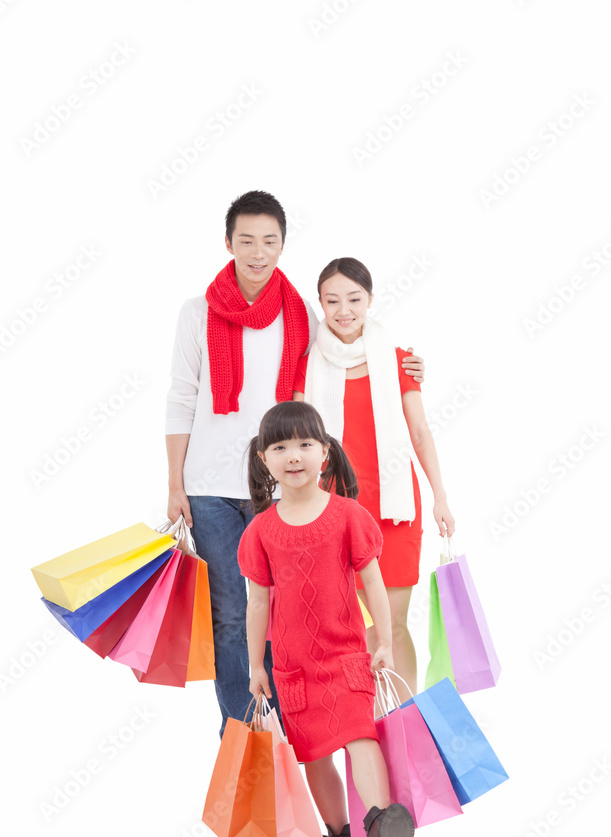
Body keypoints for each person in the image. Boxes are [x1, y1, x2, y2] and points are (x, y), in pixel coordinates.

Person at [165, 193, 426, 735]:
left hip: (278, 488)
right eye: (247, 241)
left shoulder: (301, 314)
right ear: (228, 243)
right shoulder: (197, 313)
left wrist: (407, 362)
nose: (258, 253)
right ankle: (241, 733)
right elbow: (180, 398)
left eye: (270, 241)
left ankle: (294, 728)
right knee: (233, 617)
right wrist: (174, 483)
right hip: (209, 487)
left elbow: (349, 344)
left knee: (286, 616)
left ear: (283, 245)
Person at [237, 401, 416, 837]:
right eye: (280, 446)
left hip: (346, 655)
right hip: (294, 668)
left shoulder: (347, 515)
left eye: (304, 444)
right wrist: (256, 665)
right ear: (262, 459)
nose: (293, 455)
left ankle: (381, 824)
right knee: (315, 756)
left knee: (361, 736)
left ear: (325, 453)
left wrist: (383, 636)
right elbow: (257, 605)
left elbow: (372, 583)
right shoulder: (260, 531)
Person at [292, 257, 455, 700]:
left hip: (394, 508)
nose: (344, 310)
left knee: (394, 625)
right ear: (320, 304)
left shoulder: (399, 361)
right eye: (332, 301)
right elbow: (296, 445)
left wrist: (440, 496)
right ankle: (367, 723)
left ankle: (406, 721)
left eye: (354, 299)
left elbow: (420, 432)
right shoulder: (305, 366)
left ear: (370, 300)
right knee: (351, 627)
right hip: (334, 513)